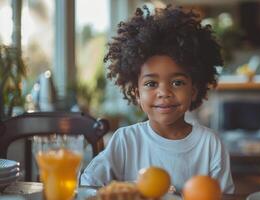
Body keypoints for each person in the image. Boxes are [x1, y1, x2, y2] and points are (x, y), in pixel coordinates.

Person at [80, 5, 235, 194]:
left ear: (194, 91)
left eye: (177, 82)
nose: (164, 92)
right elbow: (88, 183)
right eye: (151, 84)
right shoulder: (126, 140)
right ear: (136, 93)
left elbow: (225, 196)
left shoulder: (210, 145)